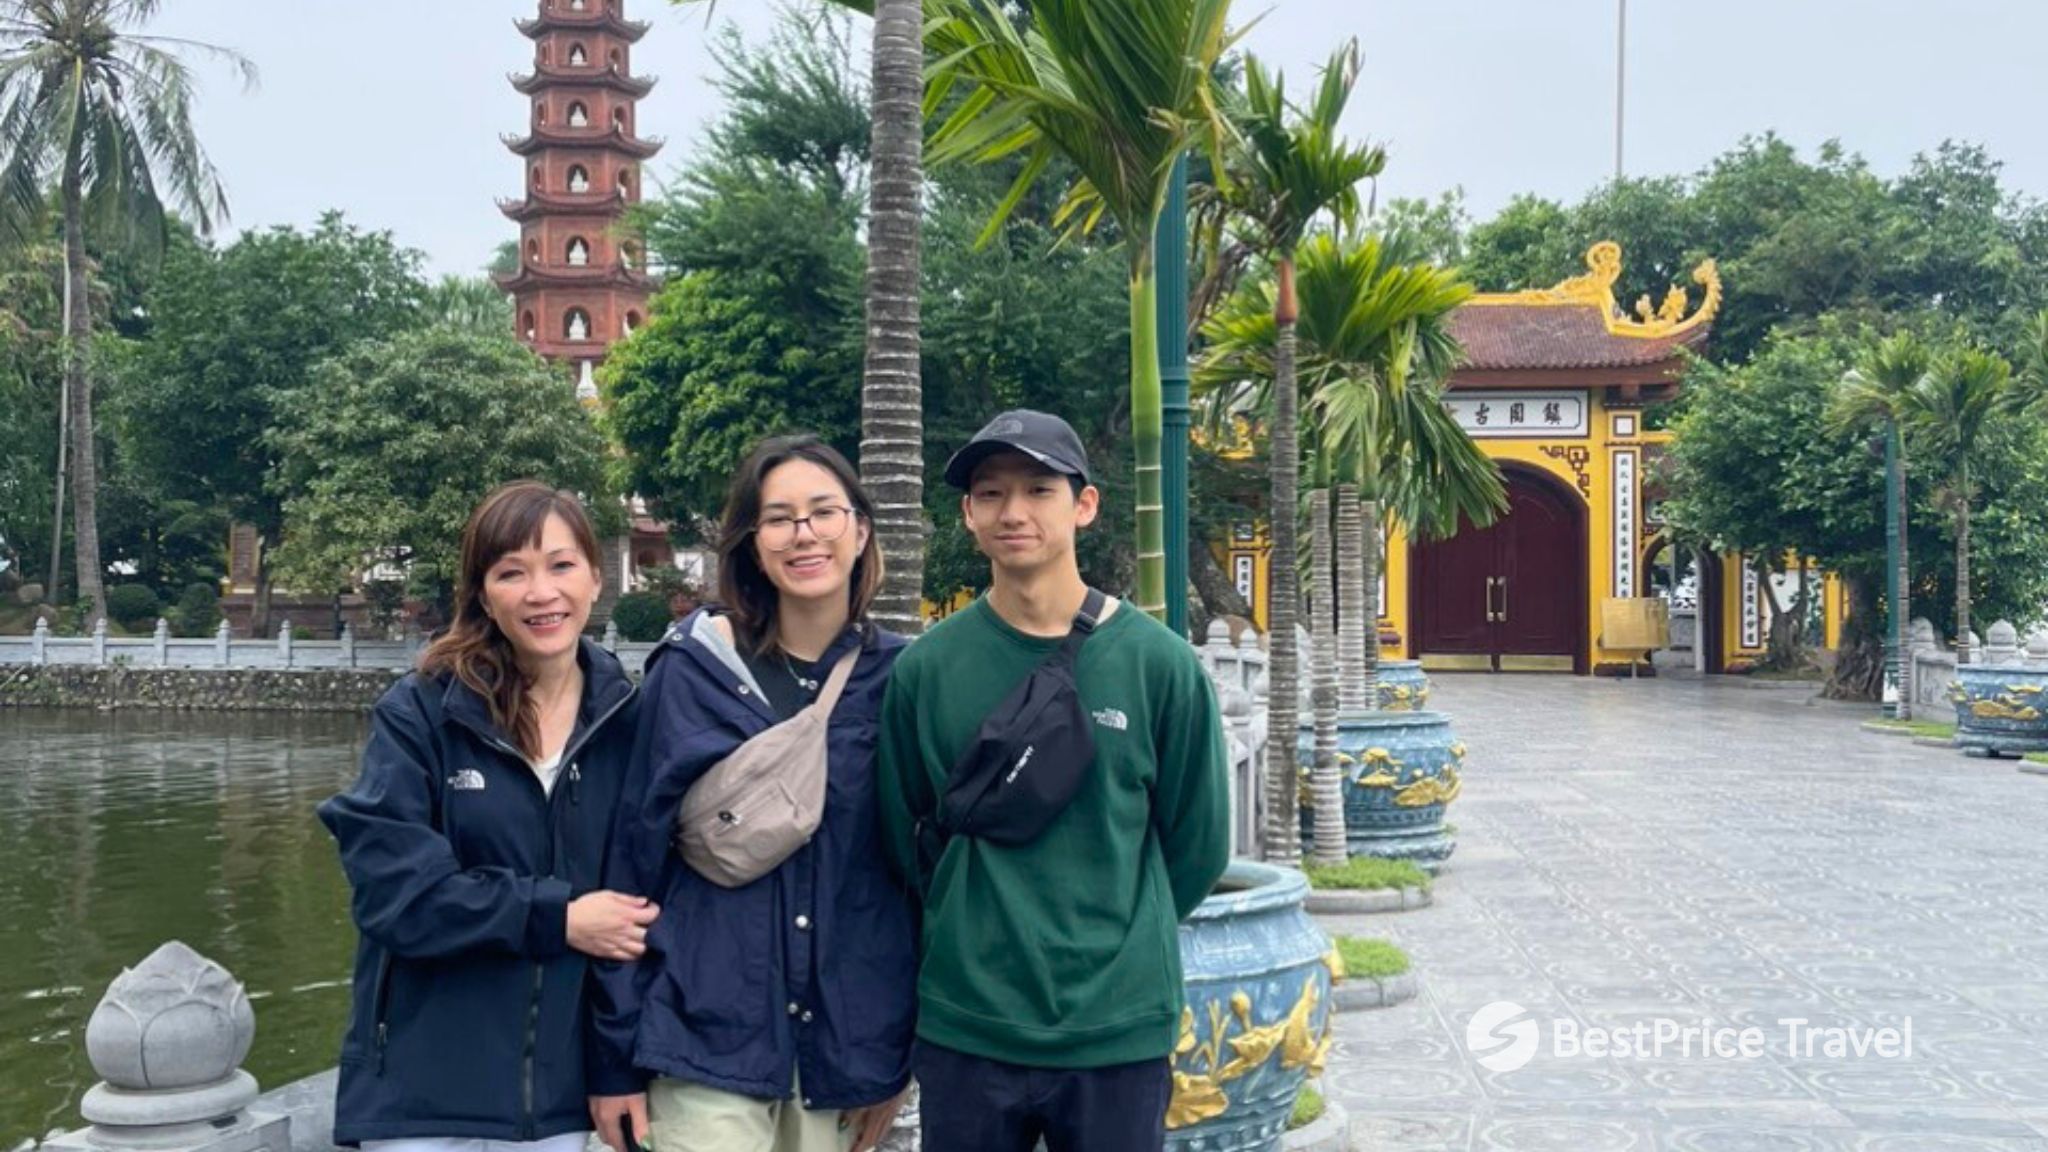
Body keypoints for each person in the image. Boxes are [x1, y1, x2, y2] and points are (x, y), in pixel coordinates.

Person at [875, 410, 1232, 1152]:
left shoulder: (1158, 665)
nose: (1014, 512)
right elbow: (901, 835)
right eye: (990, 493)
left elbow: (1196, 847)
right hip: (969, 1021)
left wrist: (1118, 936)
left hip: (1116, 1027)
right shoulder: (926, 670)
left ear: (1086, 505)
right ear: (968, 515)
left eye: (1039, 488)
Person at [588, 435, 916, 1152]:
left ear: (860, 530)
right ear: (751, 543)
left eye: (823, 512)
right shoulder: (693, 671)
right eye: (779, 517)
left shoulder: (902, 682)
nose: (804, 534)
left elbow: (916, 878)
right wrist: (612, 1058)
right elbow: (633, 865)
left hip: (845, 1043)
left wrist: (901, 1053)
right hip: (706, 1032)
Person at [319, 482, 655, 1152]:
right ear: (481, 592)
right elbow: (398, 896)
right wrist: (557, 917)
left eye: (561, 566)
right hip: (421, 1099)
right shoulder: (423, 714)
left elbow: (639, 918)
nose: (541, 593)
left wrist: (620, 1066)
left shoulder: (632, 723)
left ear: (595, 576)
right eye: (511, 572)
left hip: (561, 1106)